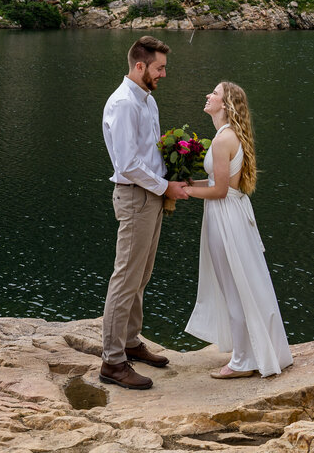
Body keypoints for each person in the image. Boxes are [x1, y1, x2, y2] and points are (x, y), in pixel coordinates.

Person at [100, 36, 191, 390]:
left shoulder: (146, 100)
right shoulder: (124, 103)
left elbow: (148, 155)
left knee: (141, 275)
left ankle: (131, 341)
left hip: (150, 195)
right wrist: (165, 187)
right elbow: (127, 164)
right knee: (125, 278)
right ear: (140, 66)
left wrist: (174, 171)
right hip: (136, 196)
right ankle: (112, 361)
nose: (163, 74)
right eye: (159, 68)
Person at [184, 81, 292, 378]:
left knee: (233, 286)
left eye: (214, 93)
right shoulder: (229, 135)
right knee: (242, 282)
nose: (208, 95)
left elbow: (219, 190)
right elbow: (221, 184)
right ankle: (251, 351)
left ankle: (243, 361)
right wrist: (186, 184)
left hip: (224, 218)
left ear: (226, 104)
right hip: (230, 213)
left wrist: (184, 192)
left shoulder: (222, 141)